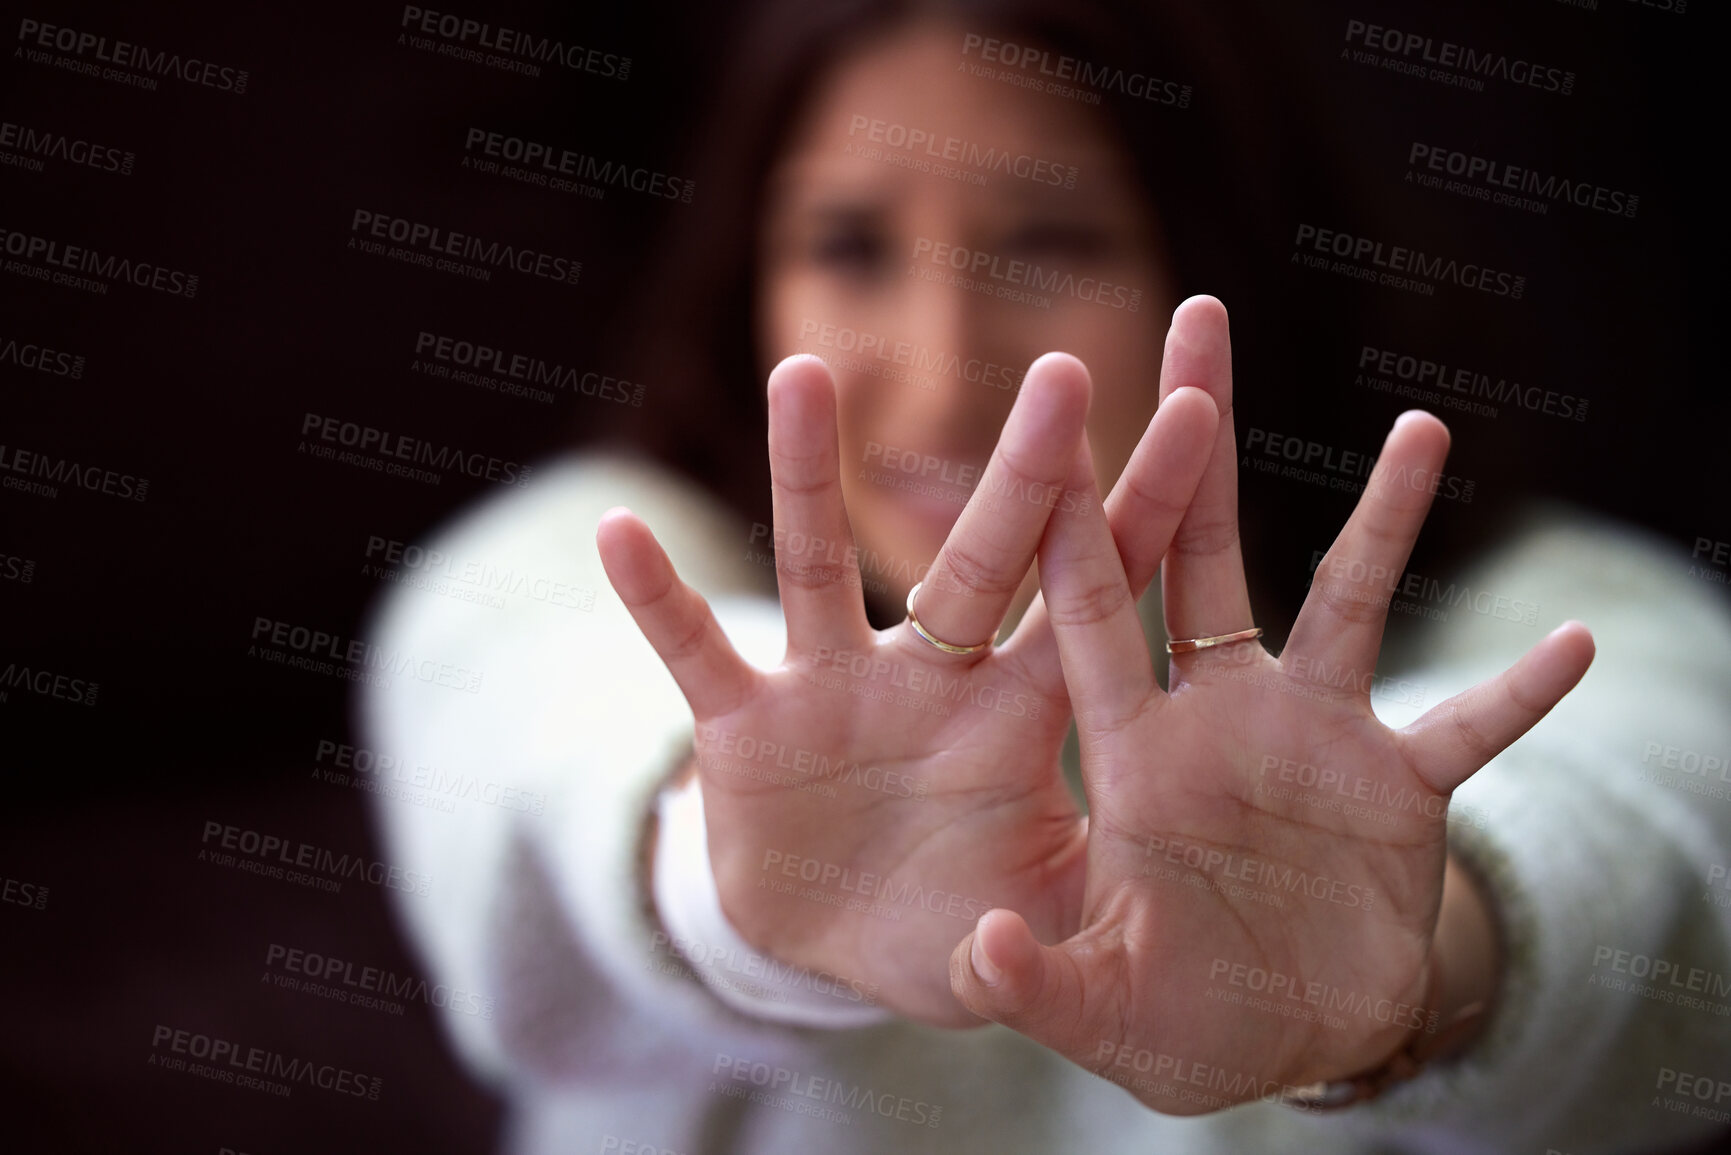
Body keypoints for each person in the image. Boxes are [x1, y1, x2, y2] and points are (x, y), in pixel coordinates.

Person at [359, 3, 1731, 1152]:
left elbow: (1664, 805)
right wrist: (734, 880)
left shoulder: (1538, 597)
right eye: (848, 246)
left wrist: (1431, 956)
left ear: (1228, 260)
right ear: (747, 286)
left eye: (1054, 242)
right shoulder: (590, 553)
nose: (945, 363)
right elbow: (537, 717)